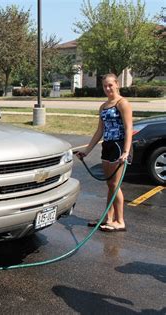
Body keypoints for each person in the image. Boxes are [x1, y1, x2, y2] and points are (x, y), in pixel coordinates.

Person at [76, 73, 132, 232]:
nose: (108, 88)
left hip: (119, 146)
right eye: (105, 86)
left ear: (117, 84)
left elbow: (128, 128)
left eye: (110, 85)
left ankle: (120, 221)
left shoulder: (123, 103)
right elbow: (100, 131)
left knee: (115, 184)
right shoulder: (103, 106)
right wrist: (86, 151)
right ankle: (108, 218)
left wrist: (126, 151)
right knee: (110, 185)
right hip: (107, 145)